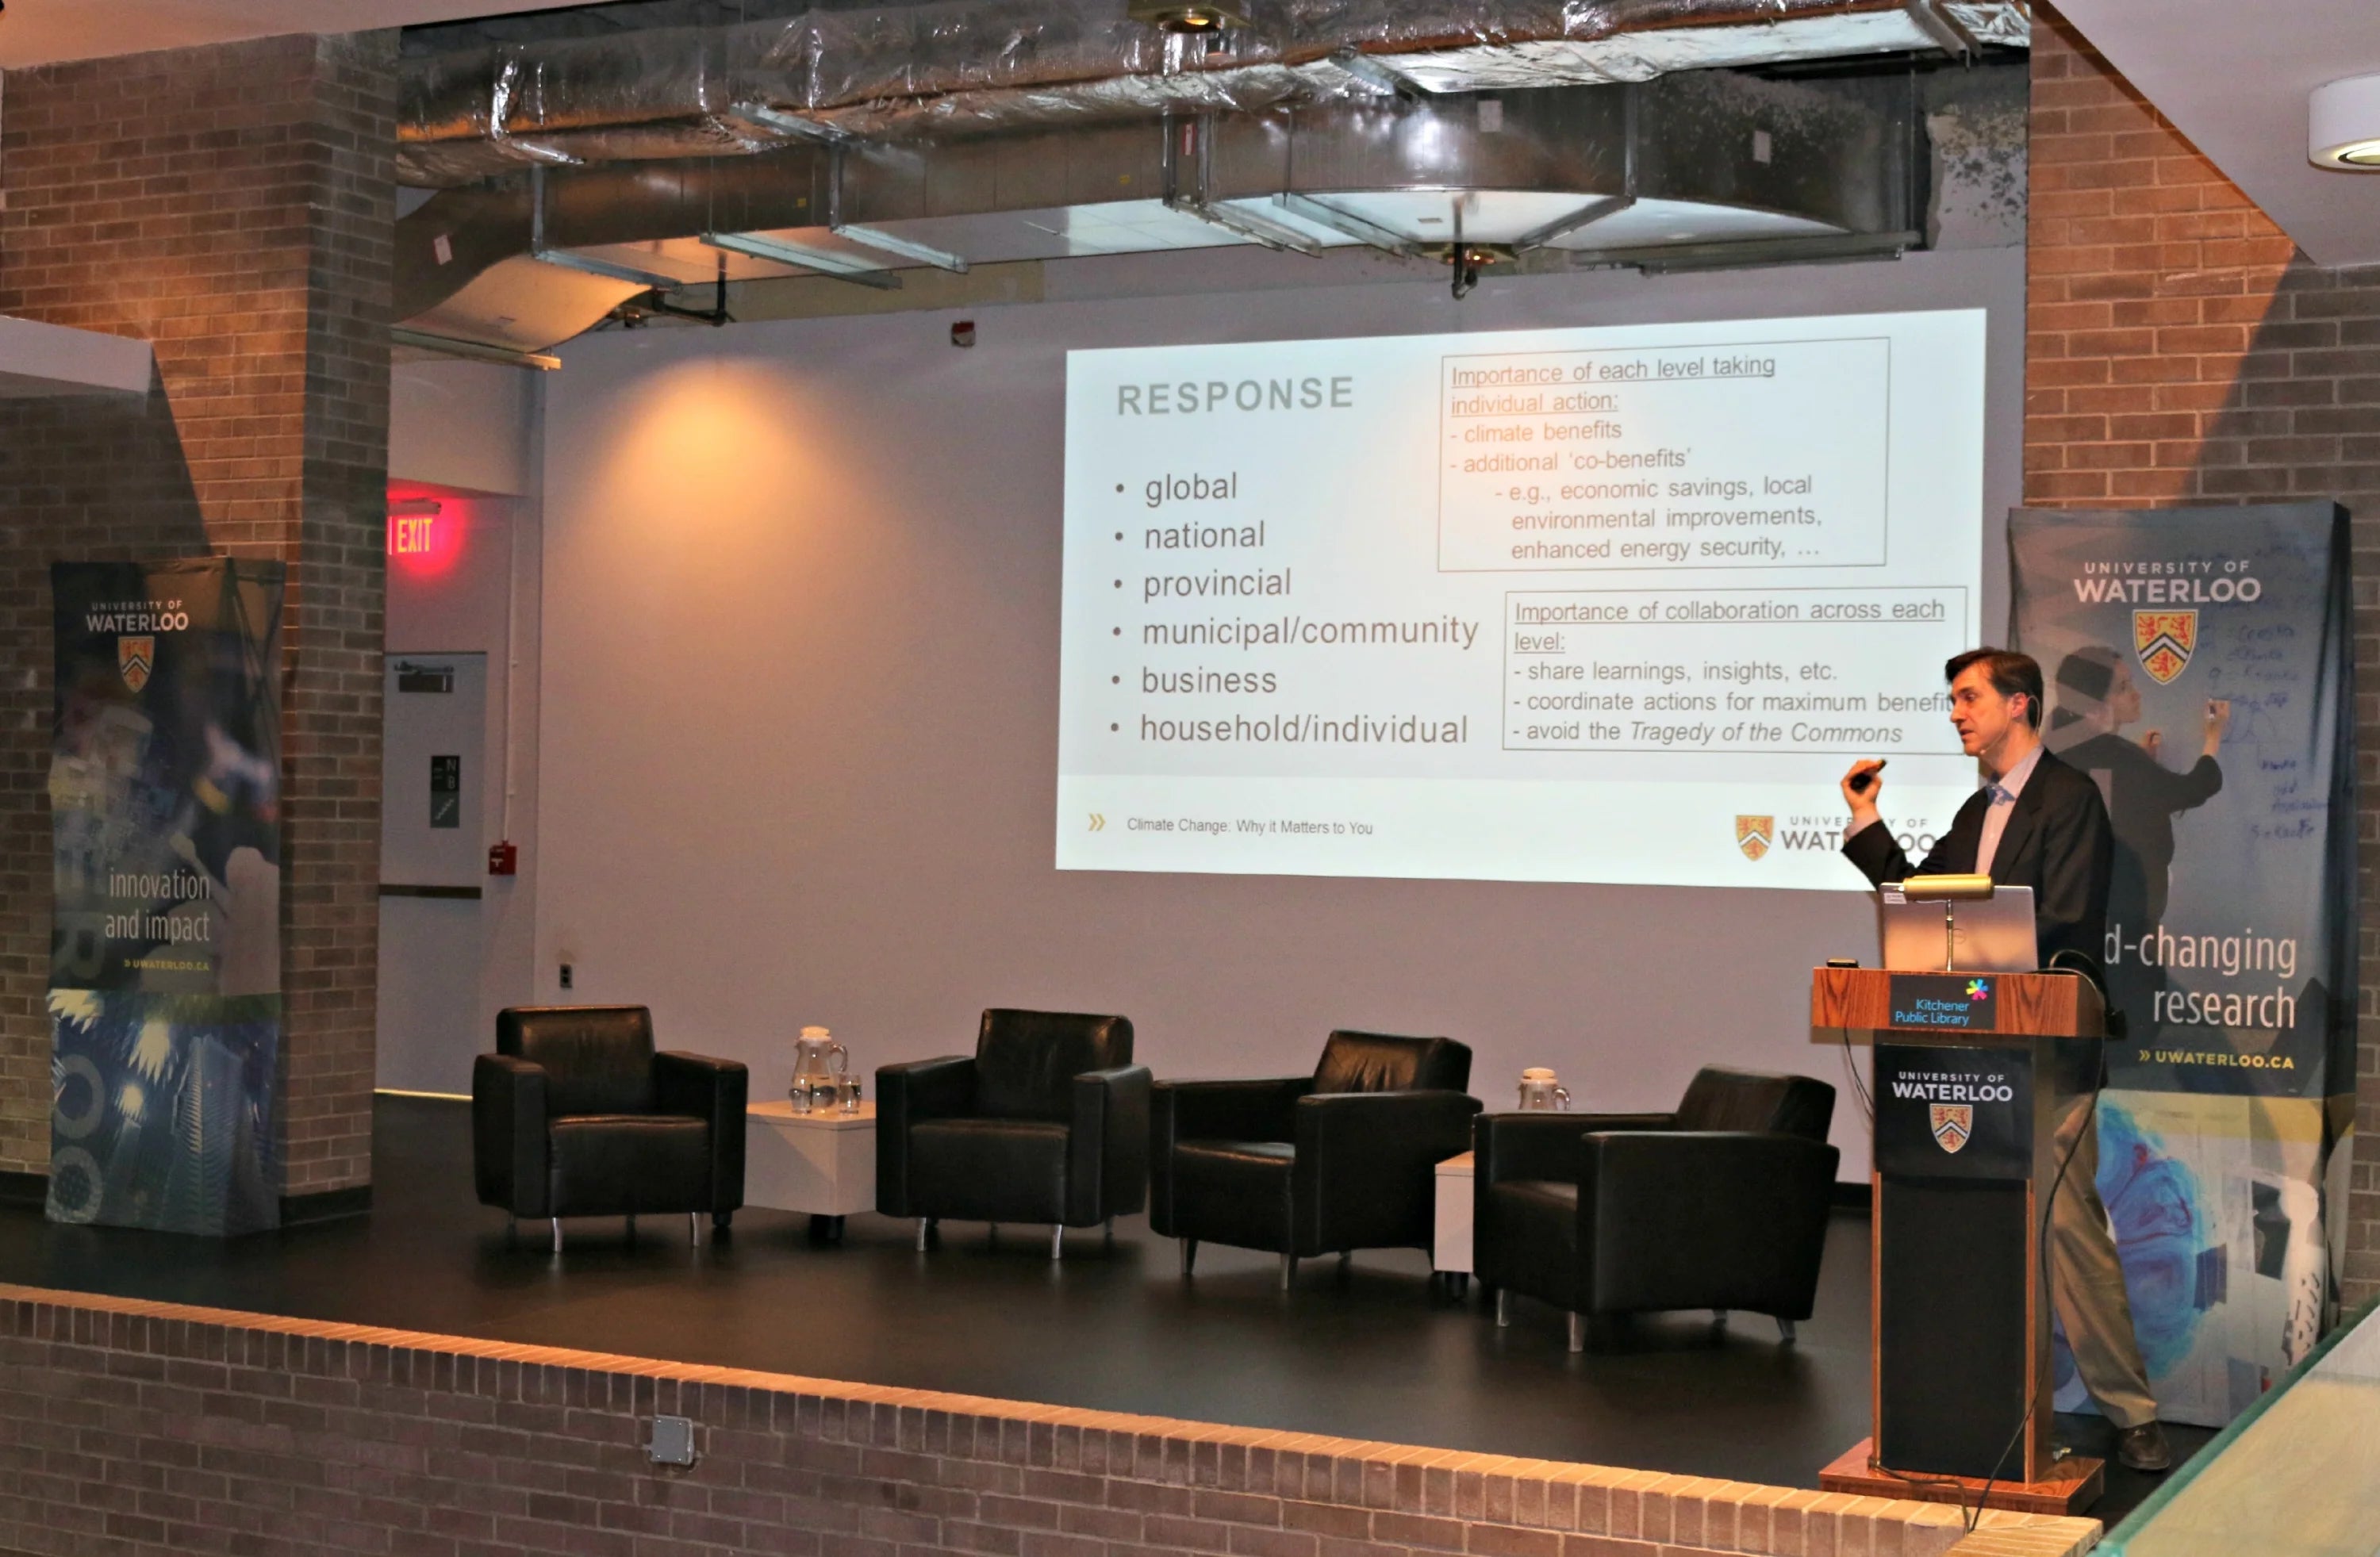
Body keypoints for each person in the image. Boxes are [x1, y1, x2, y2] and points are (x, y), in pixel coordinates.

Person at [1839, 647, 2171, 1475]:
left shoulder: (2069, 799)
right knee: (1965, 1223)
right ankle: (1967, 1399)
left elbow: (2060, 919)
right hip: (1970, 1048)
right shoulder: (1972, 810)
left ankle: (2132, 1413)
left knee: (2067, 1229)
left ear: (2019, 704)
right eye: (1951, 698)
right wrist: (1865, 824)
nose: (1956, 712)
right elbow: (1923, 903)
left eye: (1969, 697)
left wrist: (1978, 963)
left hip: (2047, 1051)